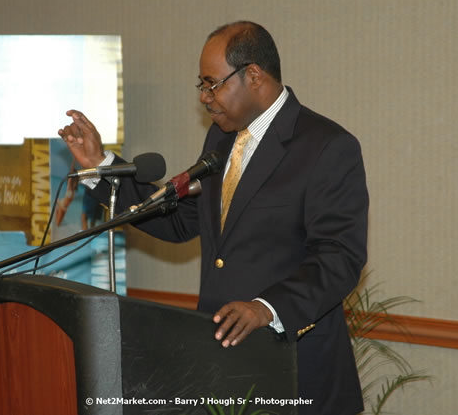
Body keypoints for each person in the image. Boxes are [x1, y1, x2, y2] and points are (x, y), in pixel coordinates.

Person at [59, 21, 368, 415]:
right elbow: (179, 218)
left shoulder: (326, 146)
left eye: (212, 83)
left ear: (253, 75)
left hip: (296, 373)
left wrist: (265, 307)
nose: (205, 97)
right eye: (201, 86)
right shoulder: (221, 140)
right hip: (223, 371)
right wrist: (100, 167)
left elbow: (339, 258)